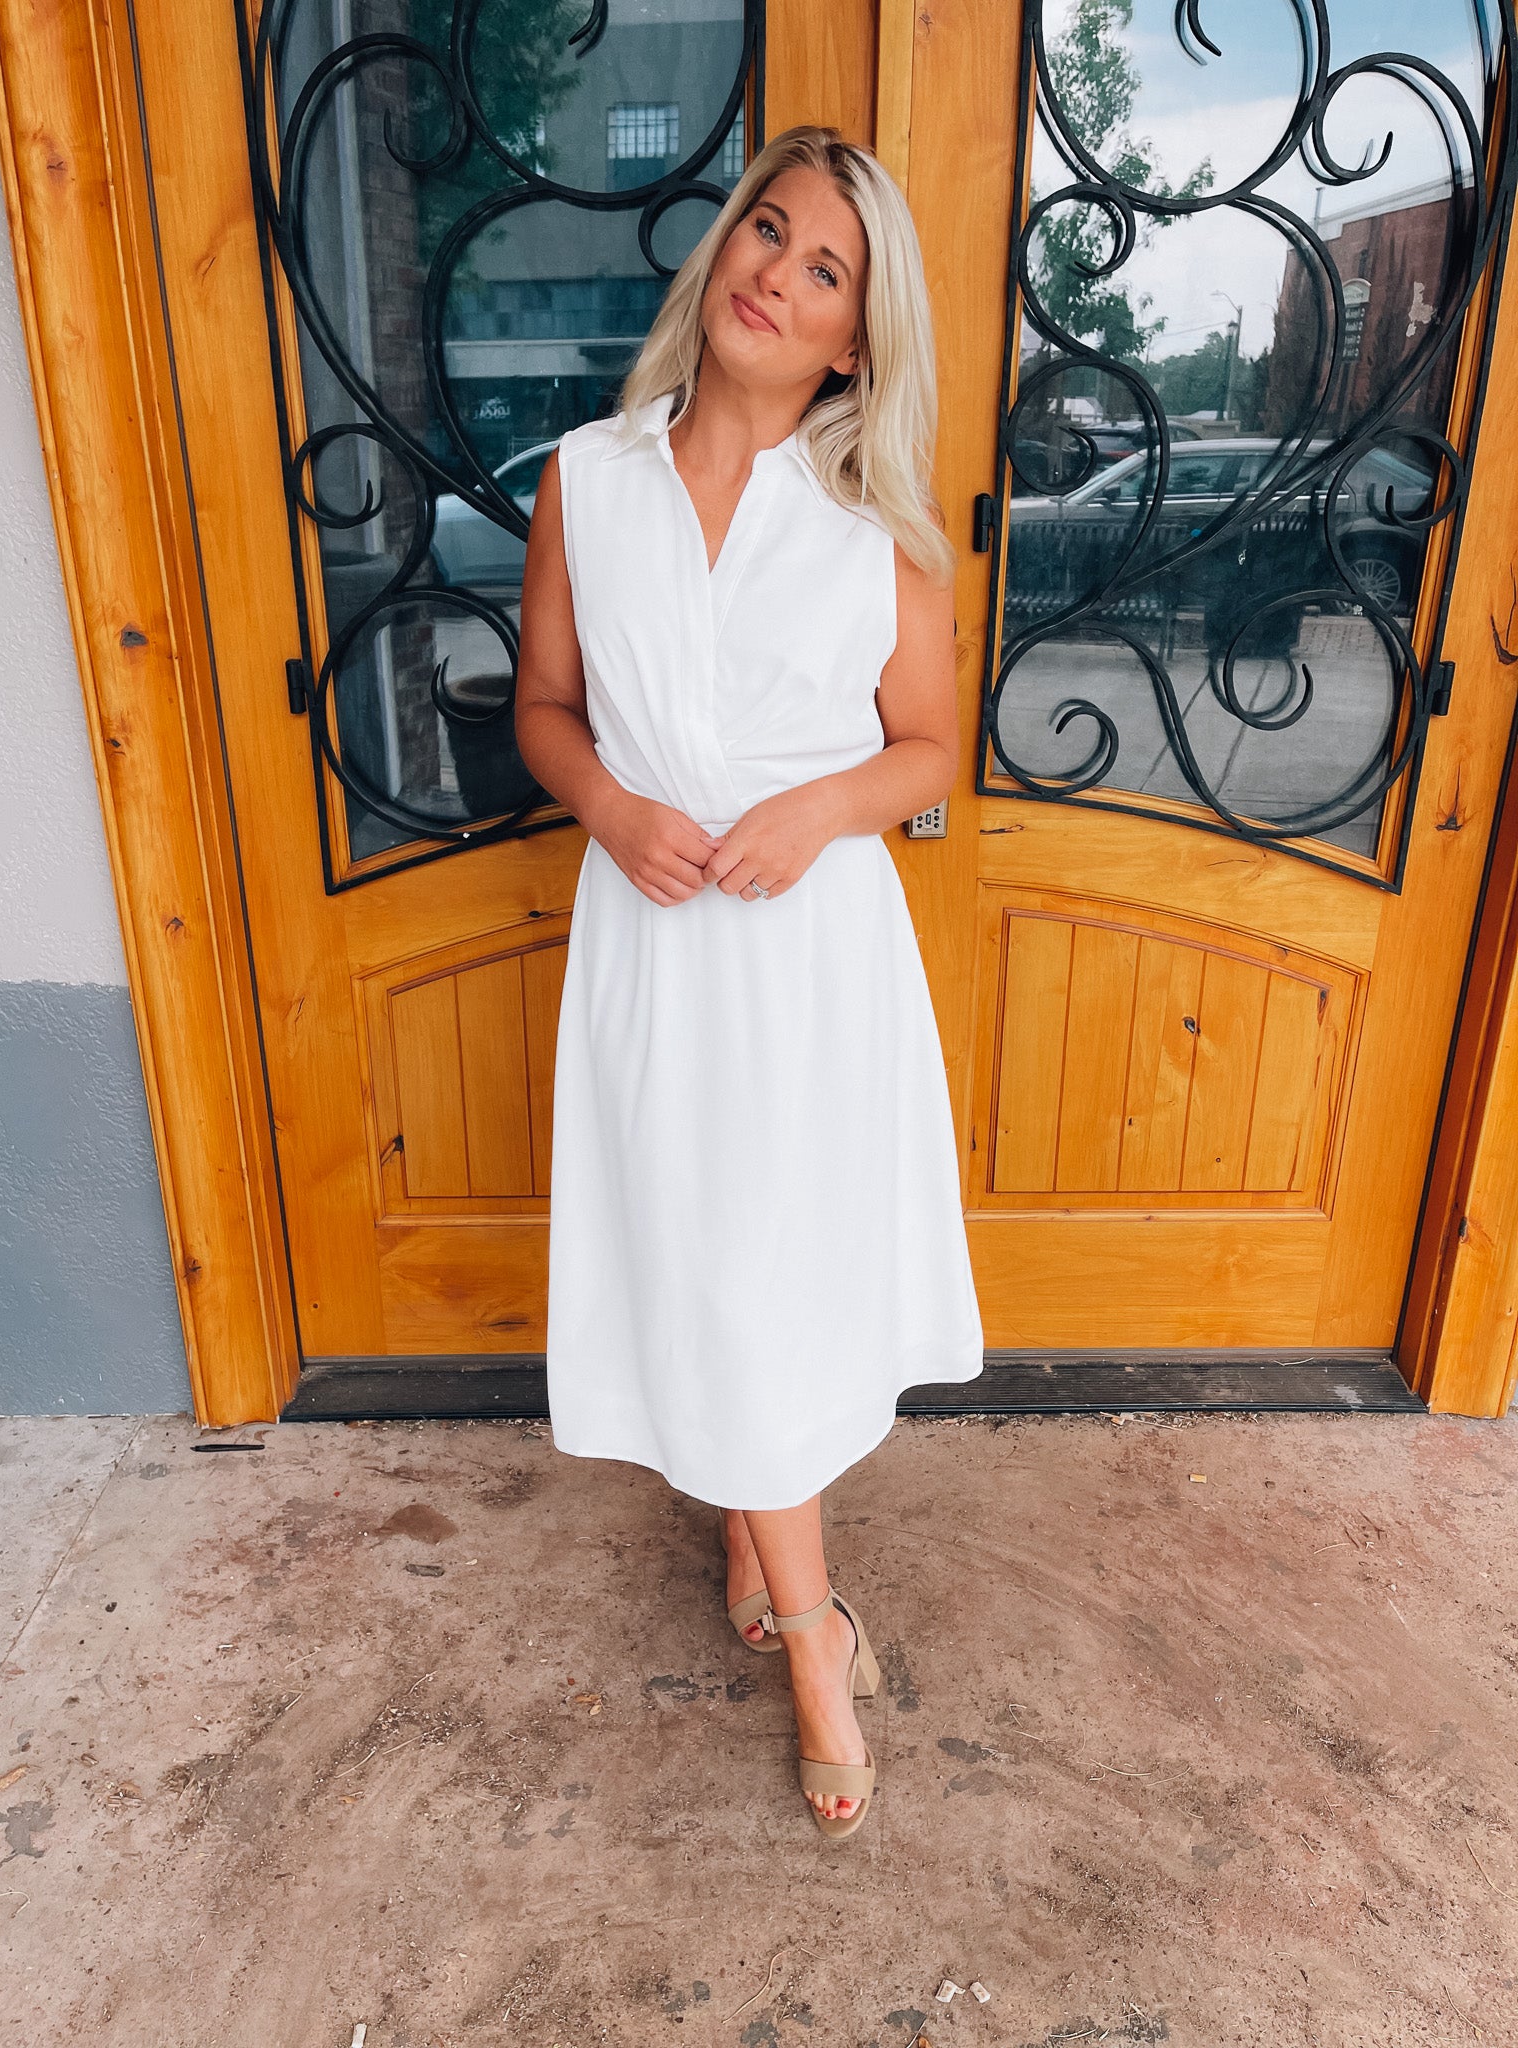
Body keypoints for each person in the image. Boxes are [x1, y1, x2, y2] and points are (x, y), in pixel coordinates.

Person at [514, 125, 984, 1840]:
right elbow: (544, 710)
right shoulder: (587, 481)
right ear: (724, 251)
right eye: (766, 231)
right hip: (654, 941)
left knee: (767, 1280)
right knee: (706, 1266)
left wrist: (819, 809)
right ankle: (797, 1589)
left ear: (855, 339)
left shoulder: (876, 533)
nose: (777, 274)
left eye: (825, 267)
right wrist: (611, 804)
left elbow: (929, 756)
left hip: (808, 964)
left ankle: (811, 1638)